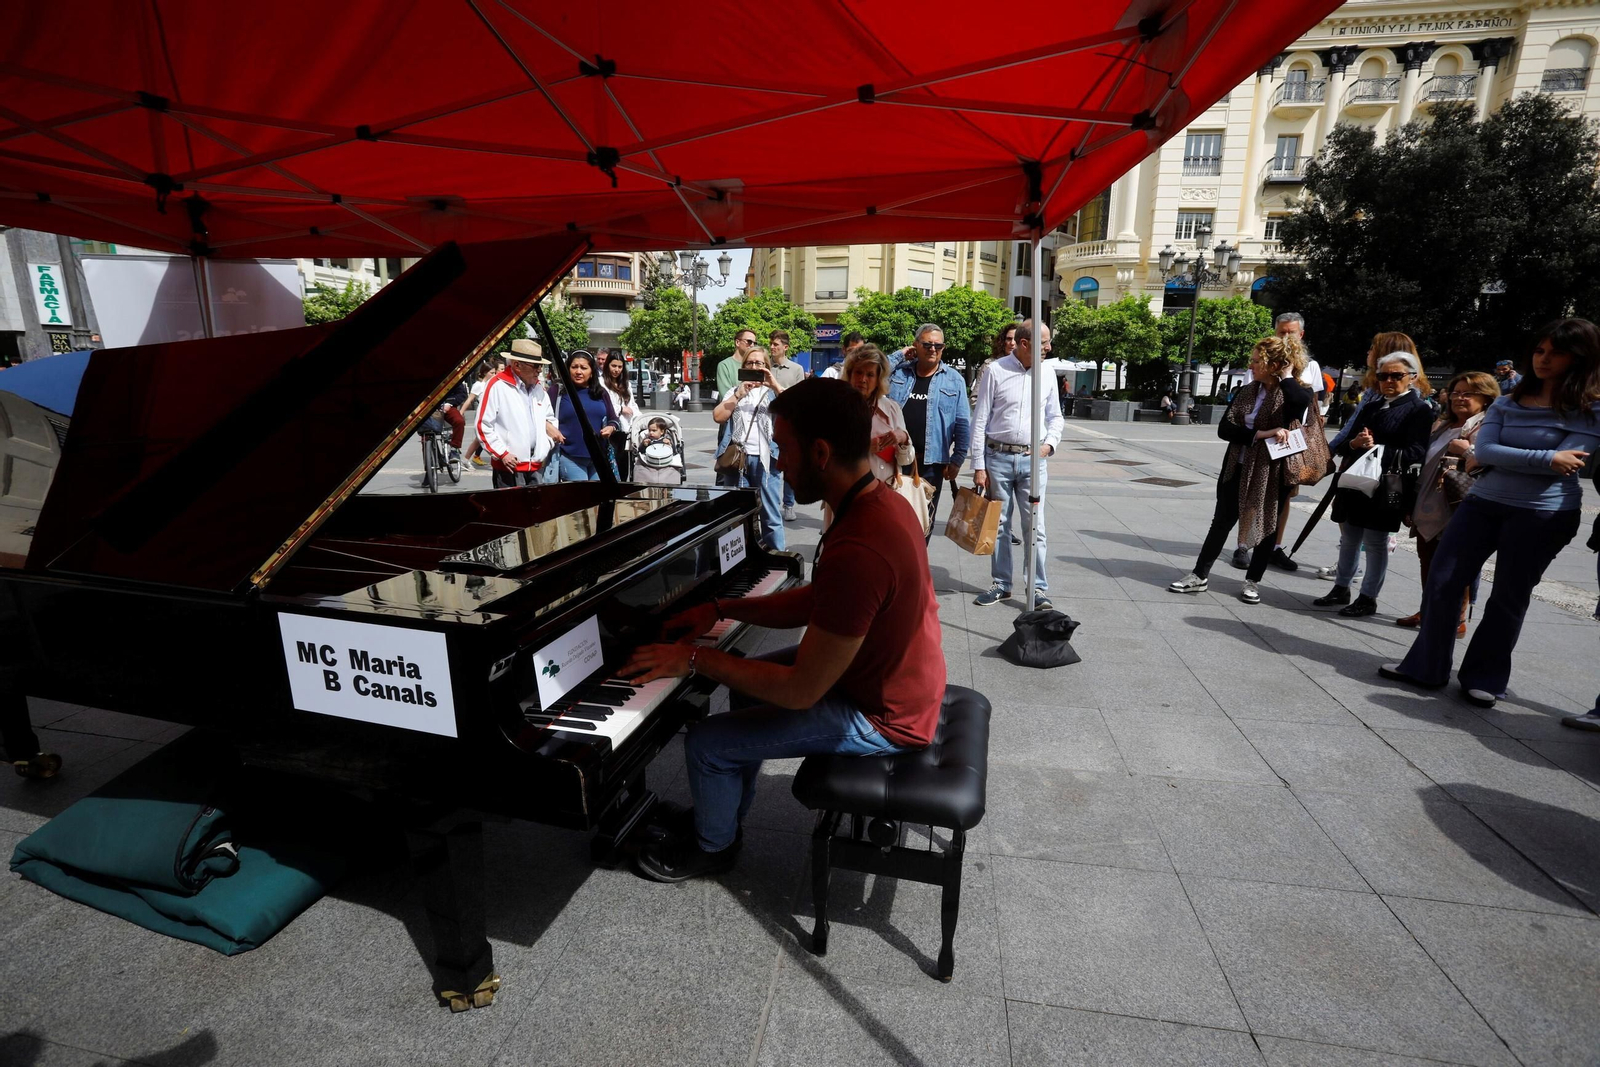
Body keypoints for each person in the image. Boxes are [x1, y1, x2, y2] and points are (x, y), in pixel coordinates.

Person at [621, 378, 944, 882]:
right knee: (744, 694)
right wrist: (723, 608)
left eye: (782, 448)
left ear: (820, 451)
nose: (777, 463)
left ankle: (713, 849)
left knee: (705, 743)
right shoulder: (880, 503)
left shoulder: (862, 543)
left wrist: (692, 659)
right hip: (888, 681)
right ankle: (722, 813)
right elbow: (822, 601)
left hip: (887, 715)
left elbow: (800, 691)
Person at [1384, 318, 1600, 708]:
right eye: (1539, 350)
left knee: (1509, 596)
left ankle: (1484, 677)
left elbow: (1574, 462)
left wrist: (1515, 457)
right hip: (1482, 504)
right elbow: (1484, 453)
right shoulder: (1507, 401)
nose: (1544, 360)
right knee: (1443, 581)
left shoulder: (1589, 409)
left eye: (1556, 353)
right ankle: (1426, 666)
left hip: (1543, 514)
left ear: (1580, 358)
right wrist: (1548, 456)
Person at [1168, 335, 1313, 604]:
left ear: (1275, 364)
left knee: (1267, 525)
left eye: (1258, 361)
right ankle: (1199, 575)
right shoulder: (1247, 391)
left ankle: (1253, 582)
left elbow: (1300, 403)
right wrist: (1262, 433)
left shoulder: (1296, 391)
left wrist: (1287, 374)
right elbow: (1226, 429)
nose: (1251, 365)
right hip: (1238, 465)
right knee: (1221, 522)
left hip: (1272, 472)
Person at [1310, 349, 1433, 618]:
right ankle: (1341, 588)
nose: (1389, 380)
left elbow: (1416, 453)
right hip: (1356, 481)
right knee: (1349, 538)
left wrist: (1377, 448)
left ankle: (1368, 597)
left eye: (1396, 375)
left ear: (1412, 377)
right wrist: (1355, 444)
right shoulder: (1372, 405)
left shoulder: (1419, 410)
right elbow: (1347, 441)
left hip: (1386, 485)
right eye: (1383, 376)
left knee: (1376, 542)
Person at [970, 318, 1064, 610]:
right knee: (998, 525)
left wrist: (1050, 444)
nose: (1048, 347)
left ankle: (1037, 589)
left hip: (1032, 462)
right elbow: (980, 419)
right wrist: (978, 465)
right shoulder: (996, 370)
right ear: (1025, 344)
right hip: (997, 458)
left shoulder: (1047, 373)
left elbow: (1055, 416)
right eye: (1044, 342)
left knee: (1035, 526)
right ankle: (1001, 584)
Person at [1396, 371, 1499, 632]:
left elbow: (1490, 464)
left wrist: (1467, 450)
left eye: (1468, 393)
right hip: (1427, 500)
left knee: (1456, 564)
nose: (1459, 398)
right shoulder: (1442, 424)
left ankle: (1458, 618)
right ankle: (1429, 608)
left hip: (1459, 504)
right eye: (1455, 393)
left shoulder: (1486, 427)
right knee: (1427, 558)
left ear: (1486, 398)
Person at [887, 322, 971, 541]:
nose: (933, 349)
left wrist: (958, 459)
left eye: (938, 345)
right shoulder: (899, 373)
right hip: (893, 460)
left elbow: (962, 422)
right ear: (916, 345)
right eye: (927, 344)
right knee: (890, 520)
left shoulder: (954, 379)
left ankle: (914, 571)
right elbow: (874, 371)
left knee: (923, 524)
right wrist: (900, 354)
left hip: (931, 465)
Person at [711, 347, 786, 550]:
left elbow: (795, 408)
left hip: (767, 460)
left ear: (767, 367)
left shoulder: (773, 393)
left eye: (759, 364)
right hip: (738, 460)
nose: (754, 367)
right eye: (750, 363)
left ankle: (777, 559)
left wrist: (774, 383)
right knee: (737, 515)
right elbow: (718, 416)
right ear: (743, 367)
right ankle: (742, 559)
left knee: (770, 515)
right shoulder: (734, 392)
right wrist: (737, 395)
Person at [475, 345, 555, 487]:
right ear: (517, 365)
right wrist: (502, 453)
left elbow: (550, 419)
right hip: (509, 467)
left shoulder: (539, 388)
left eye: (541, 366)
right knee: (511, 509)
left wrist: (545, 446)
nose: (539, 370)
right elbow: (483, 425)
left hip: (536, 467)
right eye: (536, 366)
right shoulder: (496, 385)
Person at [842, 344, 915, 482]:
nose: (863, 379)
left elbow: (906, 461)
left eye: (870, 374)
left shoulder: (892, 409)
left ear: (878, 380)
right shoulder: (836, 408)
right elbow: (826, 456)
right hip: (847, 493)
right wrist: (864, 447)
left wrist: (903, 438)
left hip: (884, 493)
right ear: (850, 374)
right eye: (858, 372)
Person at [548, 351, 619, 482]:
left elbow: (614, 419)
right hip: (569, 455)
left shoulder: (601, 393)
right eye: (574, 367)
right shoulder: (557, 391)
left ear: (592, 371)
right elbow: (540, 416)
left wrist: (611, 427)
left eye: (584, 368)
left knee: (598, 499)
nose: (578, 372)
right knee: (583, 499)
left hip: (598, 457)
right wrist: (548, 427)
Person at [767, 330, 808, 518]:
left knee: (789, 465)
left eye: (776, 344)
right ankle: (773, 505)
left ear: (785, 347)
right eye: (771, 344)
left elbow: (800, 399)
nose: (772, 347)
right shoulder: (766, 366)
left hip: (789, 425)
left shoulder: (796, 369)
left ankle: (788, 504)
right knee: (773, 467)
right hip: (767, 423)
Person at [600, 352, 638, 481]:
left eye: (620, 367)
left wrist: (641, 420)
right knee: (610, 468)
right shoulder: (601, 382)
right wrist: (621, 409)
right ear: (607, 365)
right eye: (613, 366)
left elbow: (632, 405)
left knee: (623, 468)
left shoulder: (625, 384)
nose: (616, 370)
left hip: (625, 431)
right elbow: (603, 404)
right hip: (609, 431)